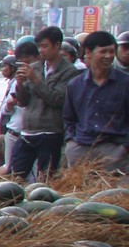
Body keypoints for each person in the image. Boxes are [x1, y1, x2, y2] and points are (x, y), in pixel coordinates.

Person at [7, 29, 76, 179]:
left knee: (46, 178)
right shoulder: (35, 67)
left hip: (50, 133)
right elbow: (23, 102)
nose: (41, 50)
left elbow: (57, 99)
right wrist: (19, 85)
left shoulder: (69, 72)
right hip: (27, 131)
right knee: (14, 175)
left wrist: (36, 80)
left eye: (45, 46)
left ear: (57, 45)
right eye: (39, 47)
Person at [64, 30, 129, 173]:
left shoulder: (125, 83)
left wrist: (124, 148)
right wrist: (71, 143)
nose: (108, 56)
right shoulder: (75, 85)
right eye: (103, 52)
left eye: (112, 52)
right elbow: (69, 119)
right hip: (81, 150)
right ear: (88, 52)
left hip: (114, 152)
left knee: (113, 194)